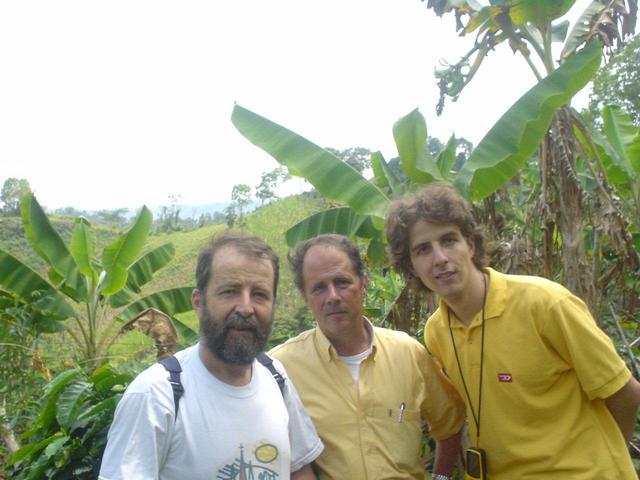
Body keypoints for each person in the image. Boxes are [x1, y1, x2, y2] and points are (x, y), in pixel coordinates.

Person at [385, 181, 640, 479]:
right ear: (412, 266)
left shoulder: (544, 303)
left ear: (471, 243)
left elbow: (624, 392)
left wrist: (600, 463)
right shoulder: (437, 332)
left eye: (449, 240)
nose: (440, 258)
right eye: (423, 249)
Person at [99, 231, 323, 480]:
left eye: (259, 294)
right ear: (199, 302)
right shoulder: (155, 395)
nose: (246, 308)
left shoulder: (276, 377)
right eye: (230, 291)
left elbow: (299, 469)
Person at [270, 234, 465, 480]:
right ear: (305, 297)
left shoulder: (408, 353)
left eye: (342, 282)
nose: (332, 296)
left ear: (363, 284)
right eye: (319, 288)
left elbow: (450, 423)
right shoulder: (282, 369)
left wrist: (442, 478)